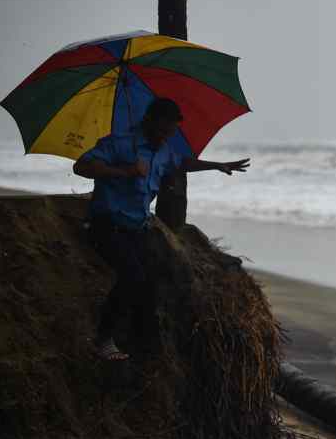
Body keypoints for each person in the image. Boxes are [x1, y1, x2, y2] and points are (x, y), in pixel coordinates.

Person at [72, 97, 249, 361]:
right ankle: (102, 340)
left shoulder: (163, 151)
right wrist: (126, 171)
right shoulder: (119, 143)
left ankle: (144, 344)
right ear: (150, 121)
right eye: (165, 129)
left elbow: (182, 163)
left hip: (137, 229)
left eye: (172, 131)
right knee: (131, 274)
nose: (167, 135)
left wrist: (217, 165)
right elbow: (81, 166)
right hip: (105, 225)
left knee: (155, 279)